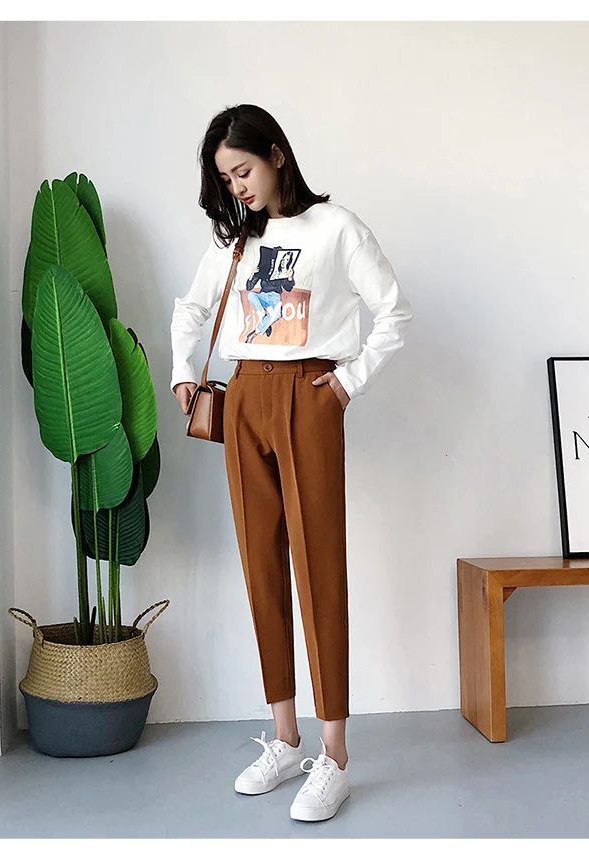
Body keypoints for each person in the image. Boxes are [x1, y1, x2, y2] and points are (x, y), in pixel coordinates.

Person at [169, 104, 414, 822]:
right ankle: (283, 737)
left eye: (243, 170)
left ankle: (334, 754)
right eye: (225, 178)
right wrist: (184, 371)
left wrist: (347, 382)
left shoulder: (336, 228)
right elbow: (192, 309)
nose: (237, 186)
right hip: (245, 395)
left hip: (310, 395)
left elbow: (394, 311)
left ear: (276, 154)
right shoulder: (235, 239)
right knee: (261, 566)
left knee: (318, 564)